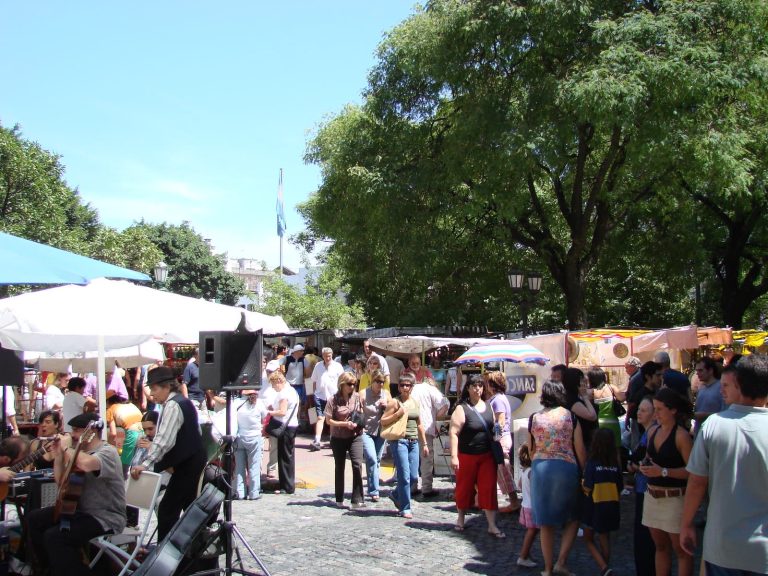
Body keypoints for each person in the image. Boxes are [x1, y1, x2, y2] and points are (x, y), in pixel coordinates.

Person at [681, 355, 768, 575]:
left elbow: (697, 483)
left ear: (740, 386)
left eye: (727, 385)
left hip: (723, 548)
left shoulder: (714, 425)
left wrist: (686, 523)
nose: (722, 390)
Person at [26, 412, 126, 576]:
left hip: (106, 517)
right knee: (34, 519)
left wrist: (66, 448)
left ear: (91, 432)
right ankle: (47, 568)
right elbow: (61, 482)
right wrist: (59, 455)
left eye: (77, 430)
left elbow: (86, 464)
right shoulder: (77, 453)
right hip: (81, 512)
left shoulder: (108, 452)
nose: (72, 435)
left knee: (55, 537)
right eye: (73, 430)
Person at [130, 365, 206, 541]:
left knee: (167, 511)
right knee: (188, 510)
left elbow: (164, 441)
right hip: (190, 461)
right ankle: (189, 554)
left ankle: (168, 554)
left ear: (166, 386)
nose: (151, 393)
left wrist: (146, 464)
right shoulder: (181, 402)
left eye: (154, 389)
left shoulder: (173, 405)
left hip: (187, 464)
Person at [528, 380, 587, 576]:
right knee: (573, 516)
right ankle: (561, 561)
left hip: (541, 468)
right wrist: (584, 471)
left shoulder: (534, 418)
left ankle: (547, 568)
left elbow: (531, 450)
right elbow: (579, 449)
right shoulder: (570, 417)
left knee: (546, 521)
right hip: (565, 467)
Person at [639, 387, 694, 576]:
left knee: (681, 550)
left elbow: (692, 472)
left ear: (673, 410)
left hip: (674, 499)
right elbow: (648, 457)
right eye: (655, 409)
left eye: (660, 409)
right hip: (653, 495)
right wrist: (644, 466)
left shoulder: (681, 436)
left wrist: (662, 471)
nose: (656, 414)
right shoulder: (653, 431)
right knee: (660, 547)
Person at [448, 375, 503, 536]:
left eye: (480, 386)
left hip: (486, 456)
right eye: (474, 386)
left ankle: (492, 525)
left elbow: (493, 426)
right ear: (468, 388)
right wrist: (454, 456)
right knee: (464, 488)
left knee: (489, 488)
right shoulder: (461, 408)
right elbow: (453, 432)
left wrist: (498, 430)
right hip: (467, 455)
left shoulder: (488, 406)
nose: (477, 389)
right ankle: (460, 519)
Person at [381, 373, 428, 519]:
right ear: (399, 387)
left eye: (408, 385)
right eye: (402, 385)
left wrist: (424, 443)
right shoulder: (394, 403)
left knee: (413, 476)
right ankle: (405, 507)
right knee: (404, 476)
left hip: (414, 442)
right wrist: (398, 414)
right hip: (399, 441)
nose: (405, 387)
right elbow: (383, 421)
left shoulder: (414, 402)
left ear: (412, 387)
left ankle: (395, 494)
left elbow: (419, 423)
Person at [581, 428, 623, 576]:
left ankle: (604, 567)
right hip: (611, 505)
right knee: (605, 536)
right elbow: (620, 486)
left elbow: (587, 486)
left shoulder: (592, 463)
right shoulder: (615, 464)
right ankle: (605, 565)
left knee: (588, 539)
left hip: (593, 507)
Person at [627, 396, 657, 576]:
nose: (639, 412)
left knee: (646, 537)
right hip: (642, 487)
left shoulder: (652, 434)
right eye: (639, 409)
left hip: (647, 489)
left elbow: (648, 465)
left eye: (644, 410)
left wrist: (635, 467)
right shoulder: (646, 433)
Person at [325, 372, 365, 508]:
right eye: (349, 384)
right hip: (338, 437)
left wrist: (357, 422)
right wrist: (344, 424)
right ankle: (339, 498)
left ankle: (357, 499)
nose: (352, 387)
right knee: (340, 467)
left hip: (355, 435)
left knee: (357, 465)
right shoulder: (333, 400)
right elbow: (328, 421)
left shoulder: (358, 397)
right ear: (342, 384)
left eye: (354, 384)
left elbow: (361, 413)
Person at [483, 371, 520, 513]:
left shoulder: (498, 399)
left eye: (488, 383)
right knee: (502, 471)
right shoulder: (499, 398)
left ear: (493, 385)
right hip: (502, 439)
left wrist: (496, 438)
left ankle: (514, 501)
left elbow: (500, 421)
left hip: (501, 439)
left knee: (504, 471)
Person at [411, 375, 449, 498]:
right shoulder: (431, 389)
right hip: (426, 426)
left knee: (412, 457)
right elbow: (444, 405)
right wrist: (436, 419)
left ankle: (412, 486)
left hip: (410, 426)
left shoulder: (413, 387)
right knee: (426, 458)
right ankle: (426, 488)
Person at [266, 370, 300, 494]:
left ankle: (286, 486)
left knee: (284, 457)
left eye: (274, 384)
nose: (273, 387)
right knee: (288, 456)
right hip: (292, 425)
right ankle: (286, 485)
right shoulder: (292, 391)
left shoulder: (283, 394)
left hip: (285, 427)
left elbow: (282, 412)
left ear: (279, 381)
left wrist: (269, 412)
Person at [360, 369, 390, 502]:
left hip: (380, 431)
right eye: (378, 381)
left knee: (377, 460)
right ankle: (374, 490)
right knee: (371, 458)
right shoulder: (363, 393)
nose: (380, 384)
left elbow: (394, 409)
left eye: (382, 382)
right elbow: (359, 411)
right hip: (366, 431)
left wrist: (387, 406)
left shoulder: (386, 394)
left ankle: (372, 488)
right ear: (372, 381)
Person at [234, 389, 268, 500]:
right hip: (255, 437)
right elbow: (265, 416)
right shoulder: (259, 404)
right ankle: (254, 492)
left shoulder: (237, 403)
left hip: (240, 437)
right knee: (254, 466)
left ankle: (240, 492)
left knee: (239, 467)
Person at [310, 347, 345, 451]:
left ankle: (332, 440)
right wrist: (312, 394)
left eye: (329, 356)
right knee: (320, 418)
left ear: (332, 355)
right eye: (326, 356)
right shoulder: (318, 366)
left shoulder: (338, 366)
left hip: (333, 396)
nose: (328, 358)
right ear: (323, 356)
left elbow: (342, 380)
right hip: (319, 395)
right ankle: (317, 440)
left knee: (331, 419)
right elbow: (314, 380)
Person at [106, 390, 144, 477]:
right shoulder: (130, 404)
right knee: (137, 460)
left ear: (107, 402)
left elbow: (113, 433)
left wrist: (109, 448)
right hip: (143, 431)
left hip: (132, 432)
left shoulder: (110, 409)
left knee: (125, 464)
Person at [516, 443, 539, 568]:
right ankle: (523, 556)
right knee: (532, 532)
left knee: (532, 532)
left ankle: (526, 554)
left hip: (526, 505)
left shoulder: (525, 471)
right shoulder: (532, 472)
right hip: (532, 507)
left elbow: (519, 485)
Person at [563, 367, 598, 449]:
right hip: (581, 442)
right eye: (581, 380)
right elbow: (592, 416)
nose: (584, 383)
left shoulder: (571, 397)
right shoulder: (573, 400)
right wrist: (585, 397)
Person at [692, 356, 723, 436]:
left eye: (700, 370)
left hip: (714, 434)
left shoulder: (721, 388)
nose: (697, 373)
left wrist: (704, 415)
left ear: (710, 371)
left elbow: (725, 413)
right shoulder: (701, 387)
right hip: (699, 432)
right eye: (697, 371)